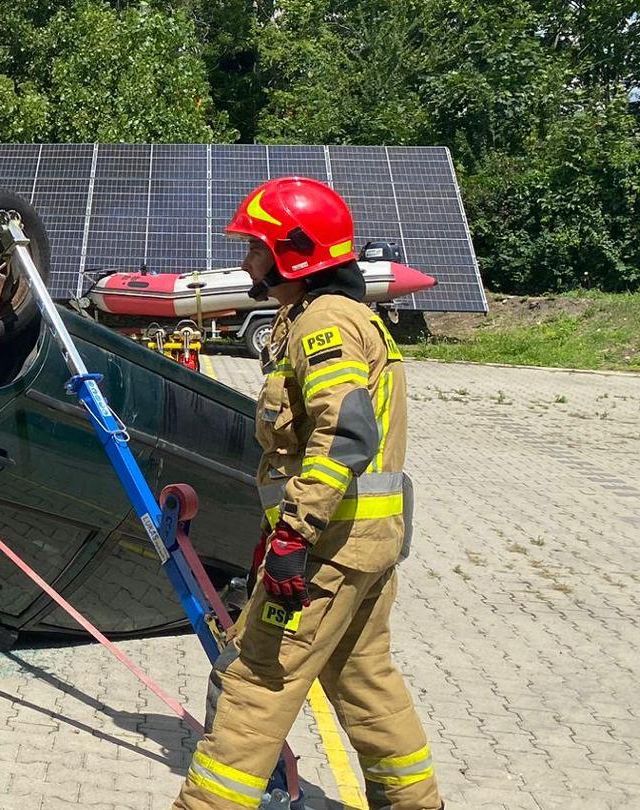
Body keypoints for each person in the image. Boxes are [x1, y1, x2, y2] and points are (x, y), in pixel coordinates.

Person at [173, 177, 440, 810]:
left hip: (325, 549)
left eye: (256, 248)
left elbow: (343, 431)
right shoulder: (335, 315)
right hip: (361, 545)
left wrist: (295, 532)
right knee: (366, 681)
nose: (246, 262)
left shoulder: (326, 322)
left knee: (256, 682)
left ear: (294, 255)